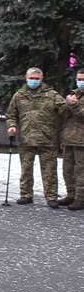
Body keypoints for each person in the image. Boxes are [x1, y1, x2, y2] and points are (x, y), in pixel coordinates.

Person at [7, 67, 67, 208]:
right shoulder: (19, 95)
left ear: (42, 79)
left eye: (37, 78)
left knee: (49, 170)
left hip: (47, 138)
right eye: (31, 78)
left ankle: (51, 196)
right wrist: (11, 125)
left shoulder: (51, 95)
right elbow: (11, 114)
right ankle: (26, 194)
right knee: (26, 169)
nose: (34, 81)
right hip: (26, 138)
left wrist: (71, 103)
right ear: (26, 78)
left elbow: (64, 110)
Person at [59, 69, 84, 211]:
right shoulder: (74, 95)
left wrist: (75, 105)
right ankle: (71, 194)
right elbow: (64, 115)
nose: (81, 82)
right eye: (79, 79)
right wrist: (67, 104)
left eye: (83, 79)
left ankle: (81, 198)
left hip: (82, 141)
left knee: (81, 171)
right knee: (67, 169)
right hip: (69, 138)